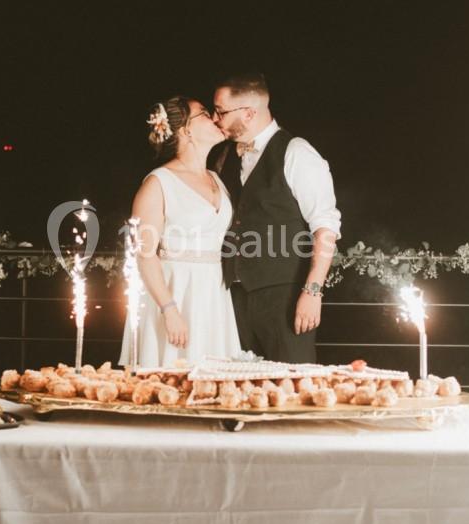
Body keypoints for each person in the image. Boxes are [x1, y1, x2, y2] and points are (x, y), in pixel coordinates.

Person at [209, 73, 340, 363]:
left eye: (221, 111)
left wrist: (313, 291)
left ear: (249, 112)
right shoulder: (224, 157)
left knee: (292, 388)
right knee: (239, 389)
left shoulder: (297, 153)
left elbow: (325, 227)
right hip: (235, 297)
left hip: (286, 298)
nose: (215, 118)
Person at [120, 96, 241, 367]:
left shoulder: (217, 179)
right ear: (185, 130)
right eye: (205, 114)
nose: (215, 118)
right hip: (175, 291)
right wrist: (169, 309)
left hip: (212, 293)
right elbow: (145, 254)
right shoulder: (158, 183)